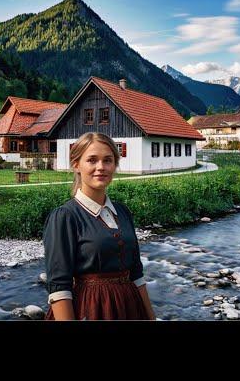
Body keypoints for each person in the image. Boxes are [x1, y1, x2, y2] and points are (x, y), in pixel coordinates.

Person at [42, 132, 156, 320]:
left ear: (115, 165)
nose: (101, 167)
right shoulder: (65, 217)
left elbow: (136, 273)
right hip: (91, 309)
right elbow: (59, 287)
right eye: (92, 160)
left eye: (108, 160)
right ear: (76, 165)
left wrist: (151, 317)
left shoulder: (123, 212)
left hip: (130, 307)